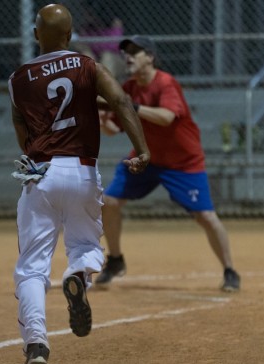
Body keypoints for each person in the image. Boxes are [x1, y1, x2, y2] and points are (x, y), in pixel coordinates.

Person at [8, 4, 150, 364]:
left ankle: (36, 343)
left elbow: (24, 134)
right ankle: (78, 274)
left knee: (31, 269)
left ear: (37, 34)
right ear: (70, 36)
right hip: (83, 172)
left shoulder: (18, 79)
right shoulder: (87, 65)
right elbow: (120, 101)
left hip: (41, 175)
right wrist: (143, 149)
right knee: (85, 247)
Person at [96, 36, 240, 292]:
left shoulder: (165, 83)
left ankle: (230, 270)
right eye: (125, 53)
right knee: (110, 201)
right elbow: (112, 129)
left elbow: (166, 117)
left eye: (135, 52)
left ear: (150, 57)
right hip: (145, 158)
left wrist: (130, 106)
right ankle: (116, 260)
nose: (127, 57)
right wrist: (103, 119)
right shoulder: (128, 88)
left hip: (182, 162)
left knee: (205, 216)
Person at [72, 0, 126, 82]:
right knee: (86, 54)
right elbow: (81, 45)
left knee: (106, 55)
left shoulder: (114, 24)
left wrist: (91, 46)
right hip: (96, 60)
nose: (86, 16)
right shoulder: (87, 28)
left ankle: (105, 89)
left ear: (98, 12)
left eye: (89, 13)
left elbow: (112, 46)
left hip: (114, 59)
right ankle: (92, 88)